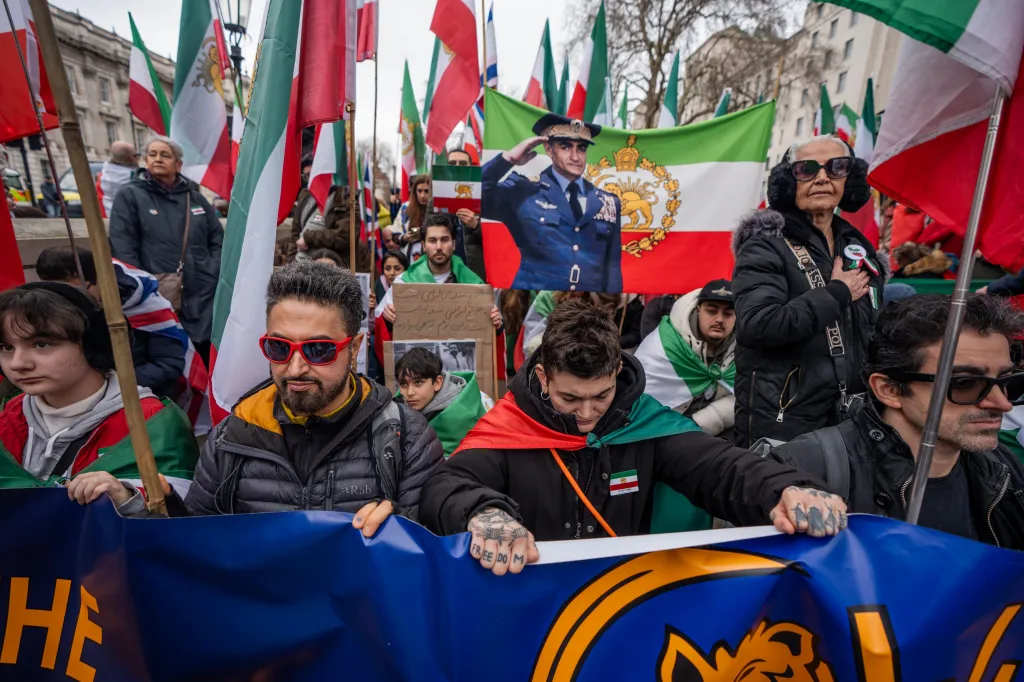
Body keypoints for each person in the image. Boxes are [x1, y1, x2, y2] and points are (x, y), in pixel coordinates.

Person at [419, 300, 848, 575]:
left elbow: (720, 467)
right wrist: (484, 514)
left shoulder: (643, 422)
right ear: (543, 376)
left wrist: (786, 489)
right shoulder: (510, 424)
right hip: (530, 595)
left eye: (600, 396)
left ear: (618, 375)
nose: (586, 414)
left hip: (621, 598)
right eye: (570, 398)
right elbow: (446, 486)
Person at [115, 261, 444, 530]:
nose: (296, 368)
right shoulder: (232, 436)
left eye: (319, 349)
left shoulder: (405, 438)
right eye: (279, 347)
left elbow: (431, 556)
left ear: (355, 348)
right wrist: (157, 507)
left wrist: (399, 528)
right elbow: (200, 549)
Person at [770, 294, 1024, 548]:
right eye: (965, 383)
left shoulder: (1004, 470)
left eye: (1008, 381)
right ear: (889, 389)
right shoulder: (802, 470)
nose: (1003, 403)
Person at [732, 135, 883, 448]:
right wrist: (838, 292)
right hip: (785, 421)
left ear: (850, 180)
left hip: (851, 416)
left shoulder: (858, 248)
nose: (823, 177)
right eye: (807, 169)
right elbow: (759, 325)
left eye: (837, 167)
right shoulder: (765, 244)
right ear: (789, 182)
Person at [0, 282, 198, 497]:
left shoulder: (151, 422)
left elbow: (183, 512)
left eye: (42, 344)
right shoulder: (7, 415)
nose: (17, 363)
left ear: (93, 344)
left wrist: (127, 498)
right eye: (6, 347)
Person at [108, 135, 223, 362]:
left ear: (178, 164)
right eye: (153, 154)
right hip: (160, 292)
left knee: (204, 356)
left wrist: (212, 268)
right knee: (170, 356)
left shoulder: (196, 198)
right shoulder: (131, 196)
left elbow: (218, 240)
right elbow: (123, 247)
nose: (158, 159)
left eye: (165, 155)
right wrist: (143, 285)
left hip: (203, 292)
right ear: (144, 160)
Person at [482, 113, 622, 292]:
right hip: (533, 305)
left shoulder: (607, 201)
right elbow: (473, 198)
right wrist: (508, 160)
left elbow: (612, 268)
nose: (575, 157)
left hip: (586, 310)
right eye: (565, 147)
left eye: (581, 149)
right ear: (549, 149)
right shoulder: (523, 191)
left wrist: (608, 308)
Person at [35, 246, 187, 400]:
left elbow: (169, 364)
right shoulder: (52, 310)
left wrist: (112, 386)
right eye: (54, 290)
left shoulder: (150, 308)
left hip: (138, 400)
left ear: (99, 279)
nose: (66, 298)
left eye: (75, 289)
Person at [634, 280, 736, 438]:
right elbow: (639, 401)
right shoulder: (663, 345)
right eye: (711, 311)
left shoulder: (744, 350)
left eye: (728, 313)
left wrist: (699, 424)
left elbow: (747, 398)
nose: (719, 319)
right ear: (698, 310)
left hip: (715, 438)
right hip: (659, 435)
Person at [377, 213, 502, 330]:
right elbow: (379, 327)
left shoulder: (475, 284)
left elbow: (489, 333)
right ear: (423, 246)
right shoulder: (403, 283)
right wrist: (387, 318)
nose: (438, 247)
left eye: (444, 240)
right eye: (432, 240)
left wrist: (496, 326)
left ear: (453, 244)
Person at [395, 347, 493, 457]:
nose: (410, 392)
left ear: (437, 383)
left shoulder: (460, 416)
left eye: (418, 382)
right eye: (403, 384)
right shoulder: (397, 406)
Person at [96, 141, 139, 217]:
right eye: (137, 155)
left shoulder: (101, 176)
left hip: (104, 217)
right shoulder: (136, 178)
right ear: (132, 158)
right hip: (129, 220)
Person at [397, 174, 431, 261]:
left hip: (430, 256)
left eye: (426, 191)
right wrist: (404, 237)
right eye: (419, 191)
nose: (422, 195)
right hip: (408, 256)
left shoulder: (438, 209)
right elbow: (394, 232)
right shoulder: (406, 208)